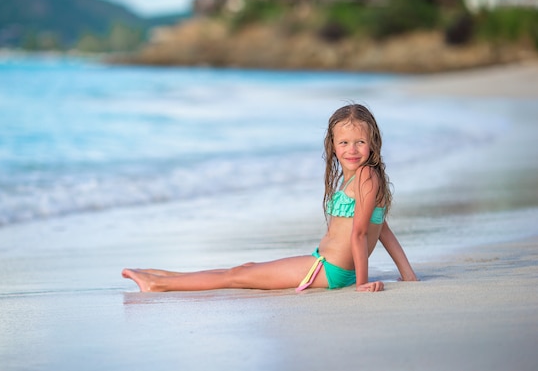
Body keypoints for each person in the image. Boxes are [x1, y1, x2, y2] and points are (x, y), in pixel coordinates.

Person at [122, 103, 418, 292]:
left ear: (372, 143)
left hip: (329, 270)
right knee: (247, 268)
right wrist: (408, 276)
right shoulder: (364, 177)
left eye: (359, 142)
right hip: (329, 266)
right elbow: (384, 230)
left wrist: (362, 285)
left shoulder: (365, 176)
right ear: (333, 145)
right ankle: (163, 275)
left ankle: (157, 284)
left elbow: (362, 232)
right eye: (344, 142)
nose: (351, 149)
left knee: (237, 276)